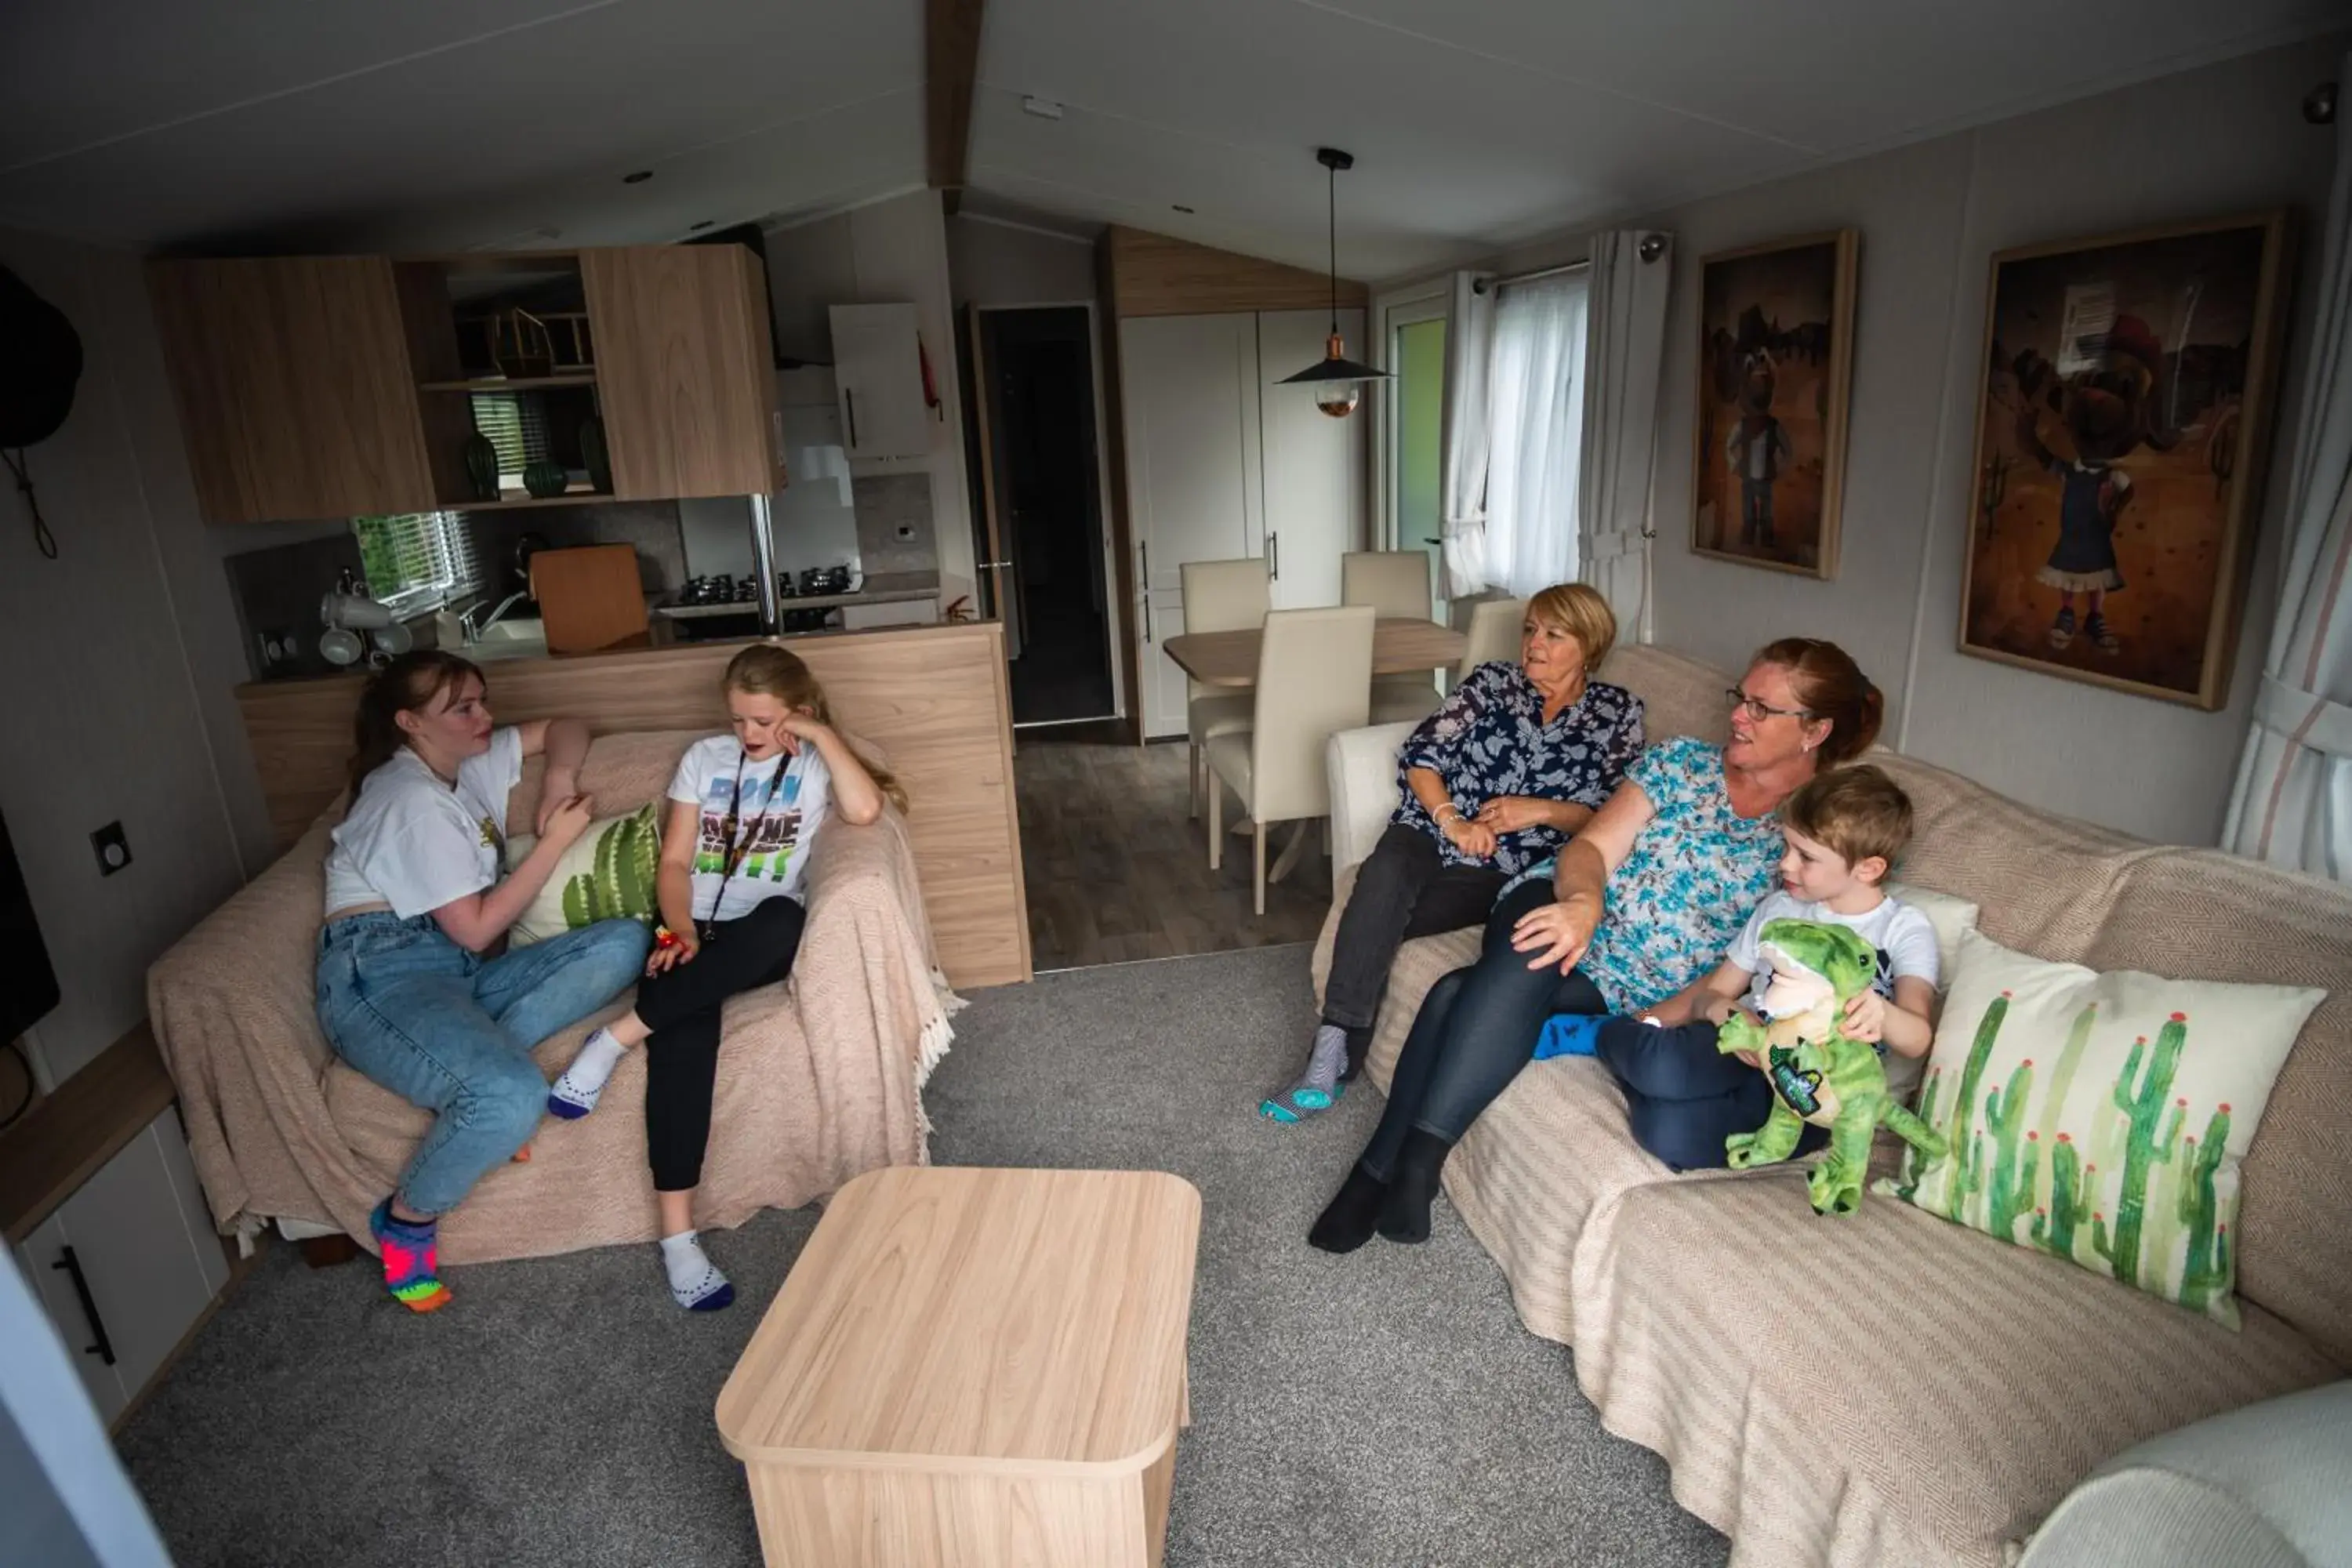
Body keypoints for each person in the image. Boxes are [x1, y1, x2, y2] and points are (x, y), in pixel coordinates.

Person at [1308, 636, 1883, 1254]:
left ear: (1815, 731)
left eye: (1763, 709)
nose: (1739, 716)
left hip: (1631, 981)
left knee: (1457, 992)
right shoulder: (1681, 763)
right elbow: (1588, 849)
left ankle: (1376, 1170)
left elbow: (1755, 961)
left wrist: (1664, 1015)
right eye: (1741, 698)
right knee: (1538, 944)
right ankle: (1422, 1163)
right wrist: (1584, 905)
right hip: (1557, 902)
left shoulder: (1821, 827)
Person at [543, 645, 902, 1311]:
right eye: (738, 720)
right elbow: (675, 863)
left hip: (755, 934)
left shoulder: (820, 761)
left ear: (796, 711)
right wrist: (676, 931)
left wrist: (819, 733)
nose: (749, 735)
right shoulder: (704, 760)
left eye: (763, 721)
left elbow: (865, 813)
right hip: (688, 926)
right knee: (682, 1040)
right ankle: (679, 1241)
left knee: (780, 918)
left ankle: (614, 1038)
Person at [316, 652, 652, 1312]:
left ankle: (488, 1064)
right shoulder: (409, 799)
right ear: (410, 722)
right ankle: (408, 1221)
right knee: (506, 1098)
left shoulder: (459, 767)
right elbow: (473, 929)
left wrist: (557, 776)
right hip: (383, 973)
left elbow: (567, 724)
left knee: (624, 940)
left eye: (483, 701)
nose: (486, 717)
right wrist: (555, 841)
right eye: (463, 708)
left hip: (458, 971)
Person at [1259, 583, 1644, 1123]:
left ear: (1590, 644)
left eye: (1554, 634)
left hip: (1503, 867)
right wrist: (1453, 821)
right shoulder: (1492, 683)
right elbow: (1421, 757)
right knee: (1387, 871)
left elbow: (1616, 814)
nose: (1534, 643)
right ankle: (1329, 1056)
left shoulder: (1617, 714)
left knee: (1379, 909)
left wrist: (1539, 811)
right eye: (1530, 629)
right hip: (1430, 828)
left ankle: (1335, 1050)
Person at [1588, 763, 1937, 1173]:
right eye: (1787, 847)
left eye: (1805, 856)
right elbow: (1711, 995)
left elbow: (1918, 1039)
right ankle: (1606, 1035)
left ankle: (1647, 1082)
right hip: (1746, 1047)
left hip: (1813, 1096)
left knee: (1668, 1137)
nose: (1785, 865)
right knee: (1662, 1066)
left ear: (1868, 868)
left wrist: (1885, 1014)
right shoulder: (1779, 909)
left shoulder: (1902, 927)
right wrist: (1725, 1012)